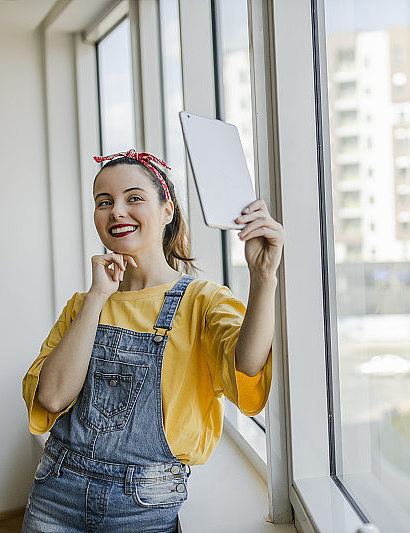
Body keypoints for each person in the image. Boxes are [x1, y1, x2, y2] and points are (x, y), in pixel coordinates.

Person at [21, 150, 284, 532]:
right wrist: (97, 298)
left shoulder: (202, 301)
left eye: (134, 198)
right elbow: (52, 398)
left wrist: (263, 278)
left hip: (143, 507)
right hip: (55, 496)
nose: (116, 211)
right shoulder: (84, 304)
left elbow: (247, 363)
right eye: (104, 202)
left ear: (167, 210)